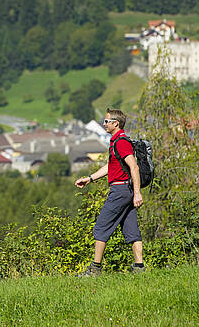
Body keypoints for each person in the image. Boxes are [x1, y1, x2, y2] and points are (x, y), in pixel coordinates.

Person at [75, 108, 145, 275]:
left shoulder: (121, 142)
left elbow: (134, 166)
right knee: (131, 229)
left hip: (120, 190)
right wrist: (90, 178)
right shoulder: (116, 142)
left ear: (116, 124)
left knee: (101, 228)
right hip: (125, 190)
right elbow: (110, 166)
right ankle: (139, 268)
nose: (104, 124)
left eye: (107, 121)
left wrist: (137, 193)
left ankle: (95, 269)